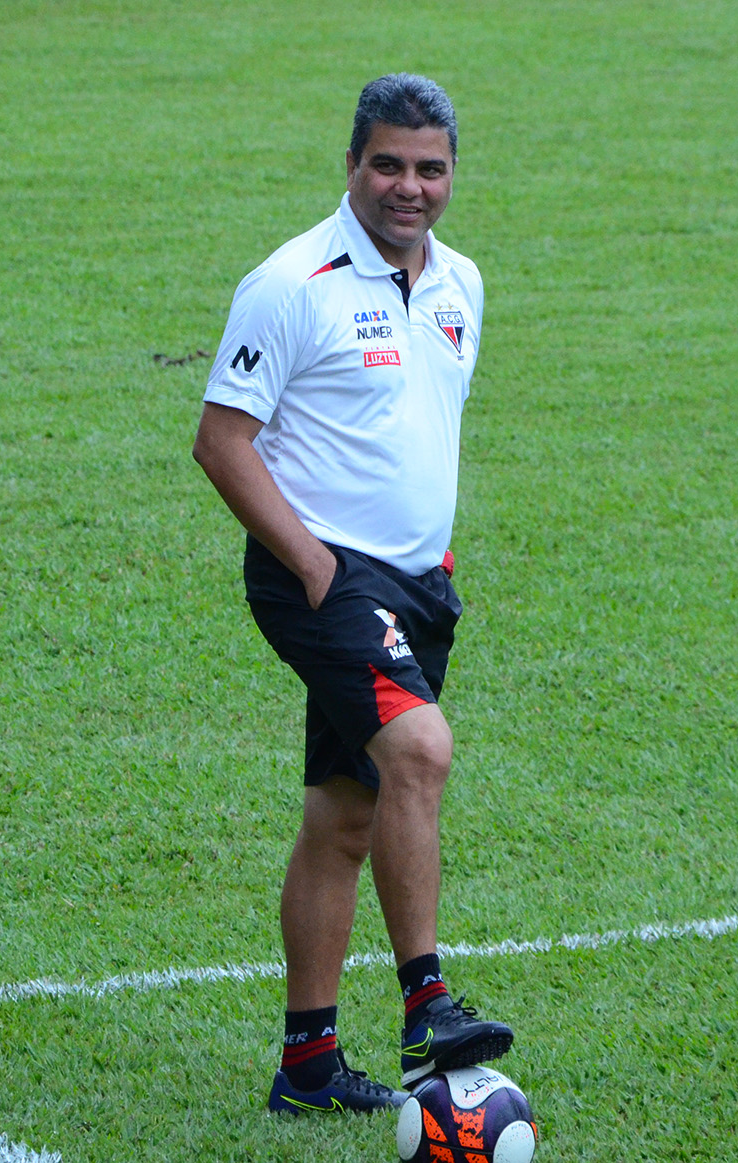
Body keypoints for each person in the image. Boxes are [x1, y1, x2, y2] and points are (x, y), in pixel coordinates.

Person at [192, 73, 514, 1115]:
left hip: (419, 586)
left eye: (430, 168)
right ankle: (428, 1000)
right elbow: (222, 441)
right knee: (421, 747)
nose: (408, 187)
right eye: (388, 164)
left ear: (453, 173)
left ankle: (309, 1065)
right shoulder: (291, 283)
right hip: (318, 572)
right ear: (351, 164)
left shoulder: (462, 281)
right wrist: (316, 563)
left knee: (343, 815)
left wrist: (430, 562)